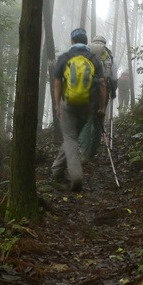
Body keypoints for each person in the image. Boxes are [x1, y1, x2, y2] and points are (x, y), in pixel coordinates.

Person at [51, 28, 106, 192]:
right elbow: (102, 85)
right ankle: (56, 170)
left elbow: (57, 83)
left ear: (72, 41)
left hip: (68, 104)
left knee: (70, 138)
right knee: (71, 138)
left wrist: (57, 104)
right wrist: (102, 107)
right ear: (86, 40)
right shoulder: (94, 58)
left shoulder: (65, 57)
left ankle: (75, 176)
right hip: (87, 105)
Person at [79, 35, 118, 160]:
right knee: (98, 121)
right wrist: (112, 92)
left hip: (84, 90)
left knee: (86, 121)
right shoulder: (108, 56)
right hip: (102, 91)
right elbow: (113, 77)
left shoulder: (85, 51)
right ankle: (93, 151)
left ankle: (84, 153)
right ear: (104, 44)